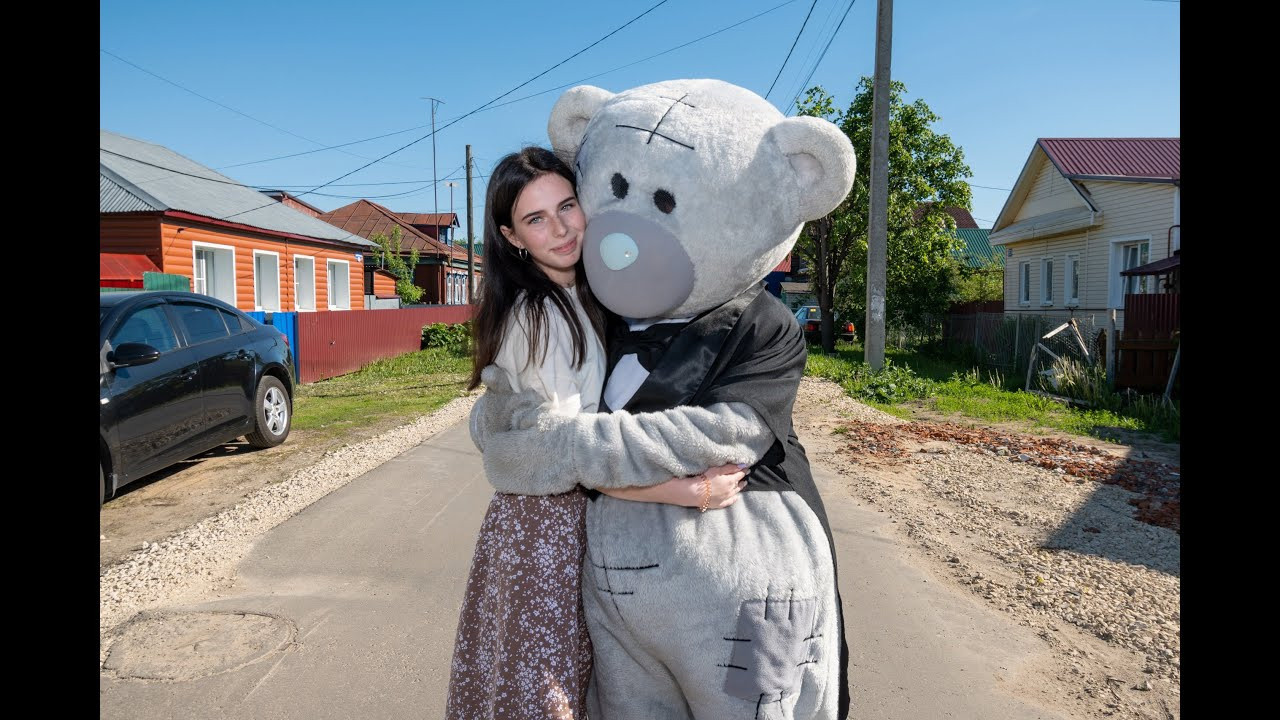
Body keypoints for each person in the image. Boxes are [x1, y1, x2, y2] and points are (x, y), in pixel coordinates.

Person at [444, 146, 747, 720]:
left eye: (567, 206)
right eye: (536, 219)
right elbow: (569, 452)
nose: (560, 229)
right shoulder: (538, 314)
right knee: (546, 696)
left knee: (547, 688)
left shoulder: (578, 296)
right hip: (544, 530)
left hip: (548, 522)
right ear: (511, 236)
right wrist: (686, 491)